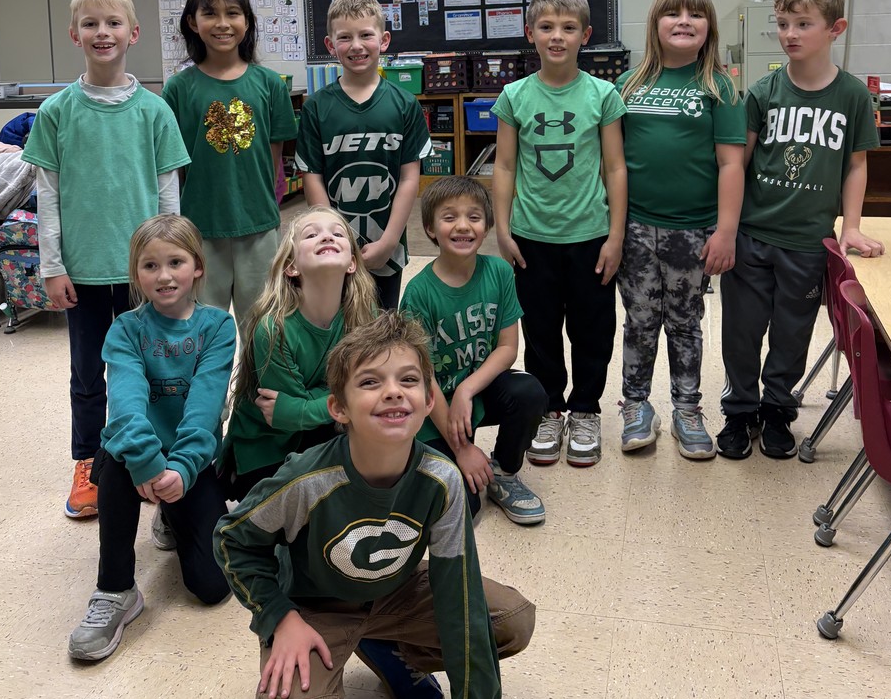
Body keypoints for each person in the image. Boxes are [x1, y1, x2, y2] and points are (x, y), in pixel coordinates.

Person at [214, 311, 534, 699]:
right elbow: (232, 538)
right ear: (338, 408)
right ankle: (300, 697)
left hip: (396, 592)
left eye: (408, 379)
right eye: (370, 381)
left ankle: (389, 647)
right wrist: (279, 617)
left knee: (511, 620)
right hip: (315, 607)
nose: (392, 391)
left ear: (429, 401)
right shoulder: (306, 479)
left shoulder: (442, 481)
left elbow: (458, 599)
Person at [22, 0, 190, 519]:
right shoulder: (56, 112)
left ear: (133, 33)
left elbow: (169, 197)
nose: (103, 33)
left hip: (148, 273)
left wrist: (173, 264)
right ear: (75, 34)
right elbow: (47, 197)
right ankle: (89, 464)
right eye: (91, 24)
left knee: (155, 371)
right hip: (85, 271)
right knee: (89, 377)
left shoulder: (155, 111)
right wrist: (51, 266)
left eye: (113, 23)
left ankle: (164, 458)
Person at [718, 0, 884, 460]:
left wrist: (849, 224)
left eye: (803, 23)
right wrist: (724, 227)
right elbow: (737, 164)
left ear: (836, 28)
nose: (790, 33)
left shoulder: (853, 95)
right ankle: (740, 410)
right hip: (752, 236)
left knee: (793, 333)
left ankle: (776, 411)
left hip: (808, 241)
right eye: (783, 23)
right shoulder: (763, 92)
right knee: (742, 331)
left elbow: (856, 164)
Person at [67, 215, 236, 661]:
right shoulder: (125, 329)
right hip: (135, 452)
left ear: (197, 267)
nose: (163, 276)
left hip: (190, 458)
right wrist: (148, 463)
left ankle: (170, 514)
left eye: (175, 262)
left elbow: (204, 408)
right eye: (150, 266)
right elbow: (125, 406)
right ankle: (116, 590)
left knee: (212, 587)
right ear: (136, 274)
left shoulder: (218, 327)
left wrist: (180, 469)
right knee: (118, 459)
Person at [492, 0, 627, 469]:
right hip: (532, 237)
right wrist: (502, 229)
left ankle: (586, 409)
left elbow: (615, 168)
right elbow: (504, 166)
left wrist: (615, 235)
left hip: (591, 236)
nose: (557, 36)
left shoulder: (603, 94)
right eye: (546, 27)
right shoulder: (514, 95)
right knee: (541, 328)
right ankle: (550, 407)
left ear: (585, 35)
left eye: (568, 28)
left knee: (593, 329)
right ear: (530, 33)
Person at [614, 0, 747, 460]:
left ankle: (687, 409)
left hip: (693, 230)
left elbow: (732, 164)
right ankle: (635, 405)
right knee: (640, 320)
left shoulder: (718, 86)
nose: (684, 20)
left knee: (685, 322)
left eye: (696, 14)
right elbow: (612, 161)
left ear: (709, 27)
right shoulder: (628, 85)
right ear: (655, 24)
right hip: (635, 229)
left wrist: (725, 229)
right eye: (673, 13)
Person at [401, 175, 546, 525]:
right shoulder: (419, 293)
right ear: (430, 228)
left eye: (474, 217)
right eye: (449, 217)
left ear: (488, 225)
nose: (463, 226)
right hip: (432, 406)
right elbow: (420, 376)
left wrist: (467, 389)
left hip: (474, 392)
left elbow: (508, 347)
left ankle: (505, 472)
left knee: (528, 392)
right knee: (463, 508)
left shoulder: (498, 272)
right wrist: (462, 449)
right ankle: (435, 461)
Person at [163, 0, 297, 330]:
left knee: (262, 327)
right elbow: (174, 168)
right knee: (204, 329)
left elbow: (274, 158)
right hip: (200, 230)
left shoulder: (269, 84)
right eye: (210, 14)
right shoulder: (178, 89)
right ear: (193, 22)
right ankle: (208, 389)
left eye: (233, 13)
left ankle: (253, 389)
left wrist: (265, 205)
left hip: (258, 228)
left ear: (247, 21)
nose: (222, 24)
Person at [222, 205, 377, 499]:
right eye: (311, 235)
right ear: (291, 266)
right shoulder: (275, 328)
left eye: (337, 233)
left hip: (323, 431)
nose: (326, 237)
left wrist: (313, 404)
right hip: (265, 447)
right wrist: (347, 399)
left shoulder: (362, 314)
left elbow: (301, 409)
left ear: (352, 264)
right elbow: (283, 418)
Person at [295, 0, 433, 311]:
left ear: (383, 40)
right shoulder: (317, 107)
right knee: (334, 330)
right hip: (332, 248)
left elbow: (409, 179)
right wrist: (332, 237)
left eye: (365, 35)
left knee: (381, 334)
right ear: (331, 45)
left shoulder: (403, 104)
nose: (356, 46)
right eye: (345, 37)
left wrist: (387, 242)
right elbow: (312, 178)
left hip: (387, 249)